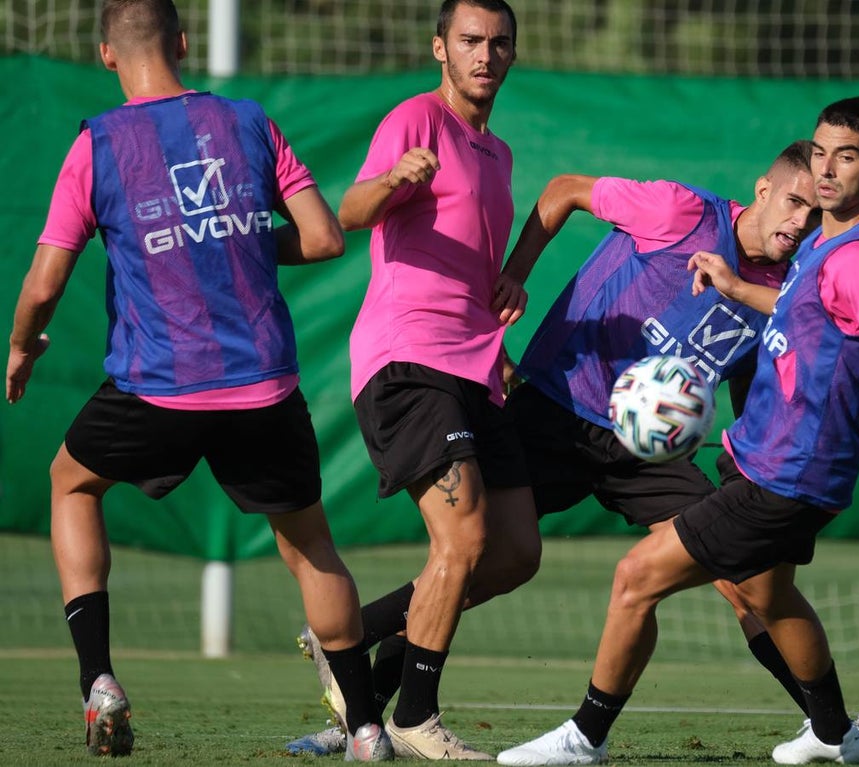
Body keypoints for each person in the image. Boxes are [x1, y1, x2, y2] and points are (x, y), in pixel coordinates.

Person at [495, 96, 859, 767]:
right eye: (819, 154)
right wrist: (736, 287)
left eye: (844, 157)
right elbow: (793, 312)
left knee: (637, 577)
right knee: (765, 590)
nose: (823, 174)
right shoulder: (825, 249)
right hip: (774, 464)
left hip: (784, 472)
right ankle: (832, 731)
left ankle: (584, 737)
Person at [3, 0, 388, 761]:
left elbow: (45, 283)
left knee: (72, 484)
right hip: (264, 388)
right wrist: (236, 243)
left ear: (107, 56)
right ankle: (369, 727)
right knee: (313, 547)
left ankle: (101, 681)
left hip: (158, 387)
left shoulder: (97, 143)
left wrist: (21, 345)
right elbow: (324, 236)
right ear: (183, 42)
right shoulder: (249, 120)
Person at [320, 0, 539, 760]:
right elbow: (350, 212)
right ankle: (414, 712)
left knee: (514, 551)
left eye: (499, 43)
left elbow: (473, 260)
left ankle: (353, 637)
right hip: (408, 357)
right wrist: (394, 178)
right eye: (471, 41)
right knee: (465, 531)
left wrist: (500, 306)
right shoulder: (416, 117)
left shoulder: (498, 152)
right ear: (440, 47)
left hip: (474, 364)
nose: (486, 54)